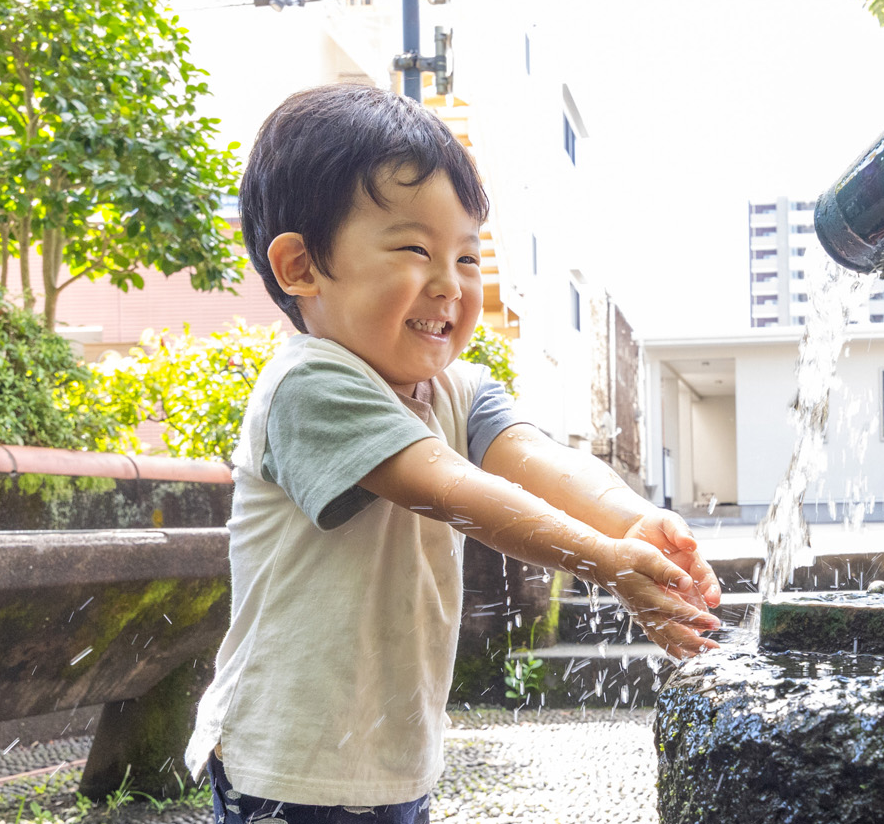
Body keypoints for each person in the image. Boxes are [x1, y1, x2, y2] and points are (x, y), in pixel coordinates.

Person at [182, 83, 723, 822]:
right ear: (301, 265)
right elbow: (449, 488)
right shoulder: (308, 384)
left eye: (468, 256)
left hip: (393, 758)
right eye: (415, 249)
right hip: (287, 766)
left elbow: (536, 459)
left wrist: (633, 522)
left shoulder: (454, 388)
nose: (451, 284)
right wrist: (604, 560)